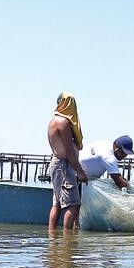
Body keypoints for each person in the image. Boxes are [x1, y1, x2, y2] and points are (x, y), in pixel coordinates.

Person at [47, 93, 87, 231]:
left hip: (59, 164)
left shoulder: (55, 120)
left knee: (57, 203)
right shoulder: (62, 122)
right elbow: (69, 150)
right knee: (73, 204)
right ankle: (67, 239)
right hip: (63, 165)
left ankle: (52, 237)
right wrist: (80, 171)